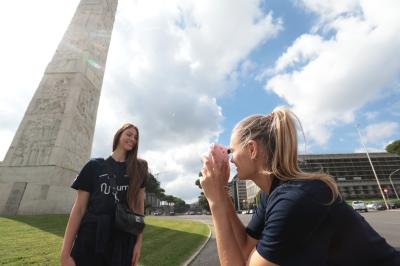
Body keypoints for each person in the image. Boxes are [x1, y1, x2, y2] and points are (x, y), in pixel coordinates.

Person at [200, 106, 400, 266]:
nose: (231, 159)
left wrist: (215, 201)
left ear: (252, 149)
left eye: (232, 150)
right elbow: (244, 249)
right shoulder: (271, 195)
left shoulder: (296, 199)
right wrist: (223, 193)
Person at [61, 123, 148, 266]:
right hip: (91, 237)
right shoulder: (94, 166)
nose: (133, 138)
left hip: (123, 240)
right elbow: (79, 209)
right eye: (129, 134)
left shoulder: (139, 169)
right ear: (118, 135)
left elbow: (139, 208)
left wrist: (138, 243)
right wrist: (65, 253)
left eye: (136, 137)